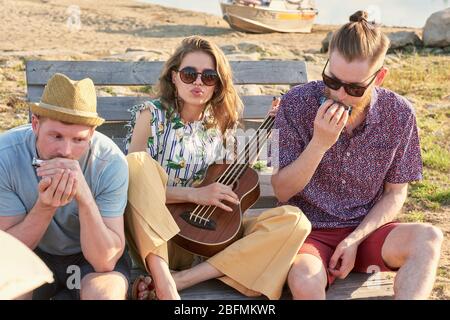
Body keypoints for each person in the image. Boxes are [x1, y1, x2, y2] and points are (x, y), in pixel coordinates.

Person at [271, 10, 443, 300]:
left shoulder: (398, 114)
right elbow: (282, 190)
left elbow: (395, 193)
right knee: (303, 279)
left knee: (429, 238)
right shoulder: (295, 104)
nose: (338, 94)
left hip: (368, 230)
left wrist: (355, 238)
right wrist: (319, 144)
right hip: (308, 232)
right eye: (332, 80)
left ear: (379, 77)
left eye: (354, 88)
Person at [124, 35, 311, 300]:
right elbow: (132, 185)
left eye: (208, 77)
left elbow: (232, 176)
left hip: (210, 239)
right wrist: (195, 194)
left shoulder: (220, 125)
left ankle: (182, 280)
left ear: (217, 85)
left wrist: (268, 127)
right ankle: (165, 278)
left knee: (294, 221)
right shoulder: (150, 115)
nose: (198, 82)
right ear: (174, 77)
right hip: (160, 241)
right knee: (136, 164)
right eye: (189, 74)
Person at [0, 73, 131, 300]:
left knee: (107, 294)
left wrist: (85, 199)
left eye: (78, 140)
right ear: (35, 124)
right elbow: (9, 253)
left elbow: (105, 261)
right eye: (56, 136)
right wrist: (45, 207)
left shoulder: (110, 163)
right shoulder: (6, 156)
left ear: (91, 134)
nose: (66, 151)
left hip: (89, 261)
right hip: (34, 254)